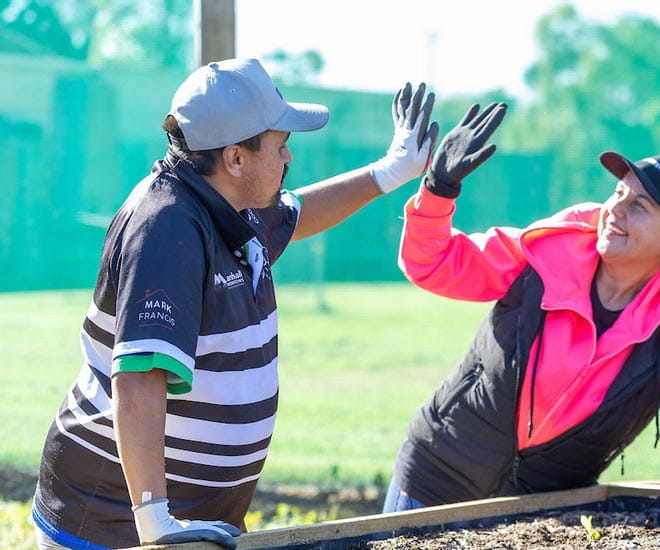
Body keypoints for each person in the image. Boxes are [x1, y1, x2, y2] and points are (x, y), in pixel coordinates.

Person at [31, 58, 439, 550]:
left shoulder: (229, 203)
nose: (289, 156)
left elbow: (300, 213)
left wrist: (392, 171)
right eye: (280, 143)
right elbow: (139, 379)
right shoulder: (168, 226)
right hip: (111, 525)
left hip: (173, 520)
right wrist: (155, 523)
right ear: (235, 158)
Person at [381, 101, 660, 526]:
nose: (617, 211)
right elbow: (434, 263)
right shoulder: (546, 250)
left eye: (639, 206)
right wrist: (439, 190)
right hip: (434, 479)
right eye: (618, 193)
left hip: (540, 516)